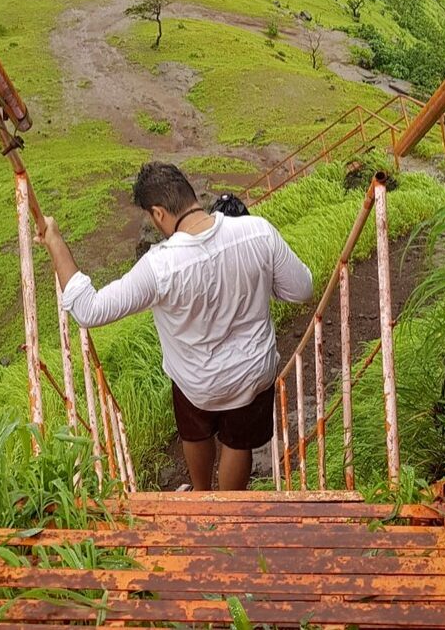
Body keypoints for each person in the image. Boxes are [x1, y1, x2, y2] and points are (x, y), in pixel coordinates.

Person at [36, 162, 313, 491]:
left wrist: (54, 240)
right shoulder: (257, 231)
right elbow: (302, 289)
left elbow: (89, 310)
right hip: (252, 375)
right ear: (191, 195)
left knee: (195, 430)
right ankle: (229, 511)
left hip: (196, 383)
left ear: (158, 213)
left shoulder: (160, 265)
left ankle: (200, 495)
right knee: (239, 442)